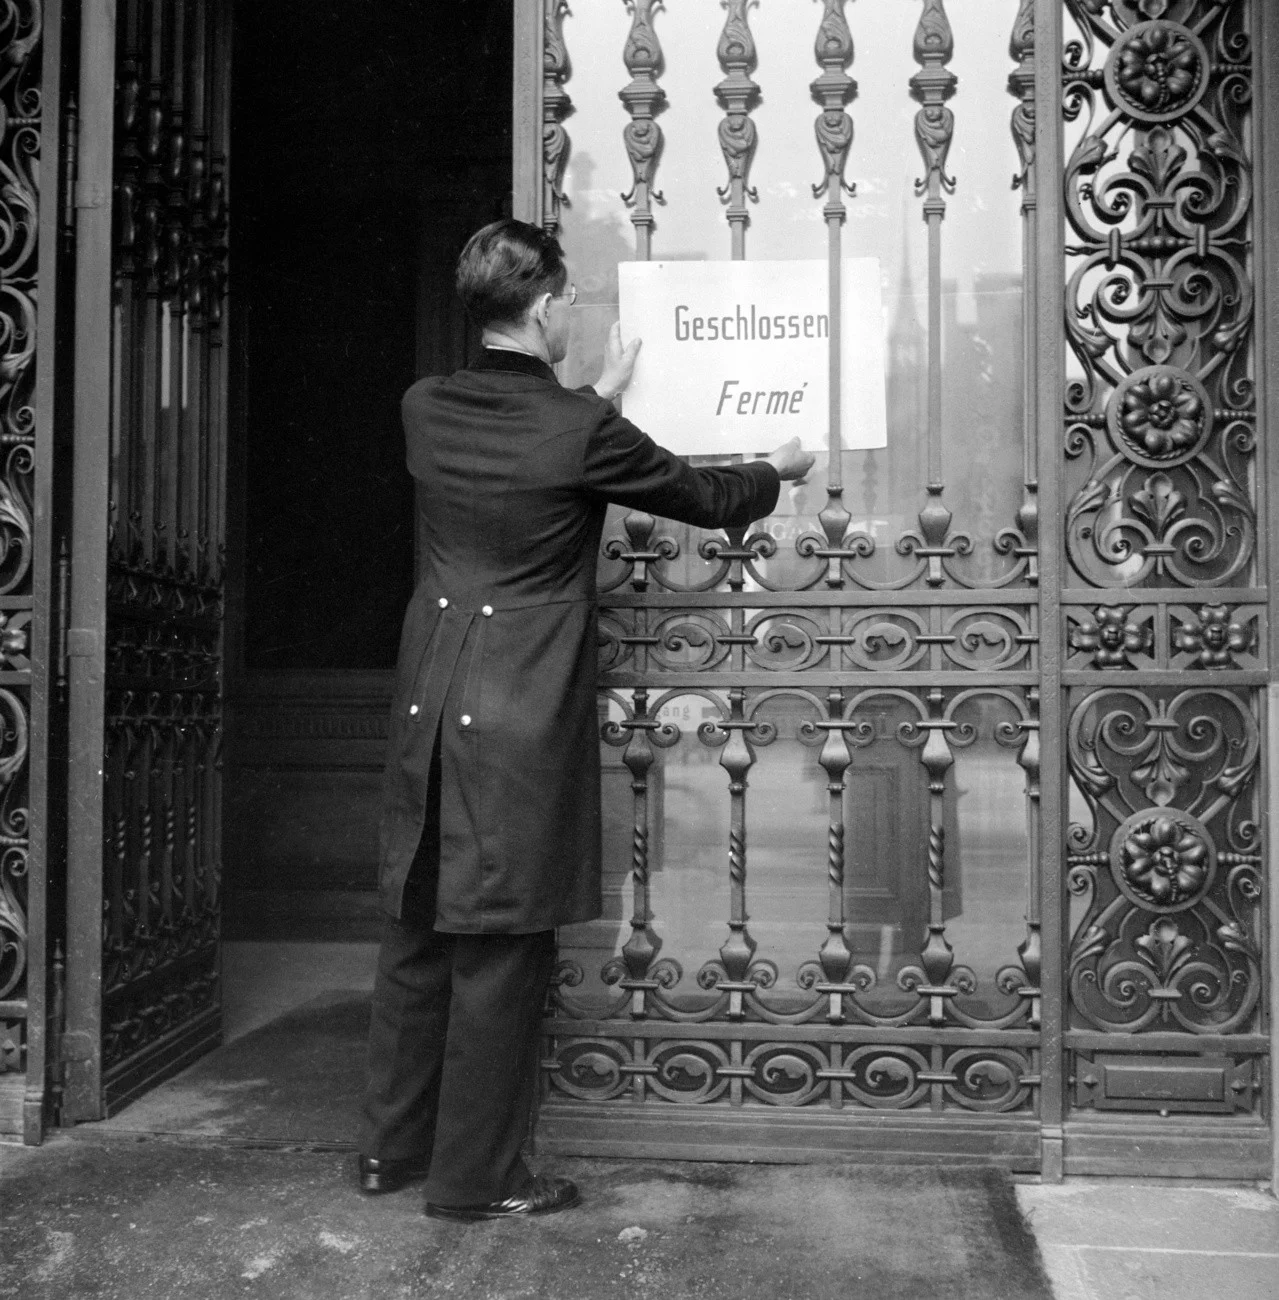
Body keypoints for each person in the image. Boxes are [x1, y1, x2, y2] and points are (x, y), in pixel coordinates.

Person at [358, 218, 815, 1221]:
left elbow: (527, 447)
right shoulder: (578, 430)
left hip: (431, 698)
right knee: (501, 948)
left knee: (418, 930)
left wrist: (591, 397)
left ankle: (390, 1152)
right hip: (520, 705)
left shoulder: (424, 407)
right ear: (550, 308)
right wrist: (775, 467)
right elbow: (698, 492)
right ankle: (479, 1180)